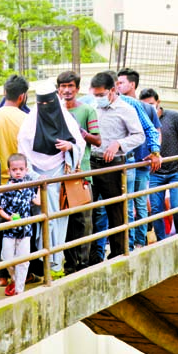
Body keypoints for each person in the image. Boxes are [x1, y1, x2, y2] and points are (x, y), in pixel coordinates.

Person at [17, 82, 84, 280]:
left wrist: (70, 147)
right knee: (40, 220)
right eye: (42, 103)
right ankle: (44, 262)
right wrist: (35, 176)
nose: (46, 106)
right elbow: (23, 149)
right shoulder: (30, 121)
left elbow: (79, 143)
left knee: (58, 220)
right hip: (37, 177)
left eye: (50, 102)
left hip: (58, 174)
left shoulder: (65, 116)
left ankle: (56, 263)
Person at [89, 71, 145, 260]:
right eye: (95, 95)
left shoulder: (126, 109)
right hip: (91, 162)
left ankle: (118, 253)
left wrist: (119, 144)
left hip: (113, 164)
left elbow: (139, 135)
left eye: (101, 95)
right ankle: (93, 255)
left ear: (112, 91)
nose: (98, 98)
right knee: (89, 210)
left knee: (116, 211)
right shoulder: (91, 107)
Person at [0, 74, 29, 287]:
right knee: (21, 230)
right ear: (22, 96)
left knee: (0, 228)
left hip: (0, 182)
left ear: (5, 93)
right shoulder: (26, 119)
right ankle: (20, 273)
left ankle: (1, 273)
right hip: (22, 184)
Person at [56, 70, 100, 273]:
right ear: (58, 89)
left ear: (77, 88)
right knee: (63, 222)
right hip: (58, 174)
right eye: (63, 86)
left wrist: (79, 134)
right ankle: (68, 265)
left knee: (83, 221)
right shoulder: (52, 111)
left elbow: (98, 140)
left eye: (70, 86)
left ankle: (82, 265)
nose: (66, 90)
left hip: (81, 173)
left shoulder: (87, 110)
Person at [115, 69, 161, 250]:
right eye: (116, 83)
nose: (118, 86)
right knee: (126, 202)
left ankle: (138, 241)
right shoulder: (119, 104)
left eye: (121, 83)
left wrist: (155, 152)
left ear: (132, 84)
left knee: (139, 203)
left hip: (141, 161)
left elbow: (156, 132)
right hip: (124, 161)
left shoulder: (146, 108)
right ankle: (130, 241)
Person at [140, 88, 178, 241]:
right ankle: (162, 241)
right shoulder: (142, 119)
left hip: (175, 170)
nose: (149, 108)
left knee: (175, 207)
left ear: (158, 103)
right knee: (155, 210)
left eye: (151, 104)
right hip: (155, 172)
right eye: (145, 106)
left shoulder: (173, 117)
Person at [0, 153, 41, 295]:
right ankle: (15, 279)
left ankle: (19, 290)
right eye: (14, 169)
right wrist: (8, 218)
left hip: (25, 230)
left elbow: (37, 201)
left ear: (26, 170)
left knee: (24, 260)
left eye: (21, 169)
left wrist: (40, 187)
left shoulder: (28, 187)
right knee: (7, 258)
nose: (18, 172)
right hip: (10, 229)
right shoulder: (6, 188)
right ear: (9, 170)